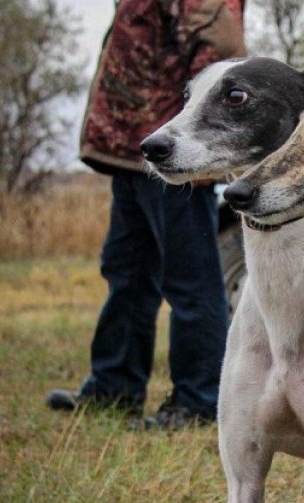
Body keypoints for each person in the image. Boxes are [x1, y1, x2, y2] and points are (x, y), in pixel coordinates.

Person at [47, 0, 246, 429]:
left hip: (171, 151)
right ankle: (113, 388)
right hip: (134, 151)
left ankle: (199, 401)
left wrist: (193, 136)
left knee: (190, 280)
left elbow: (223, 44)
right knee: (127, 271)